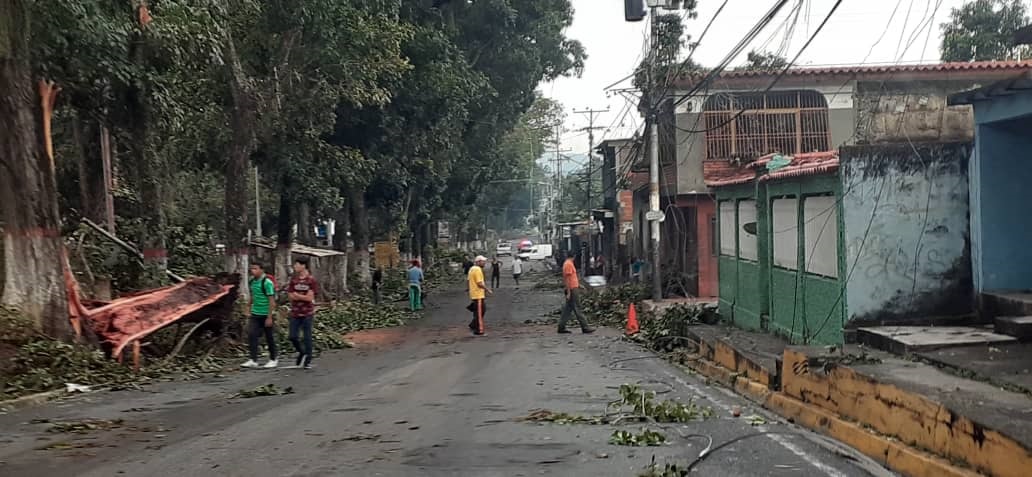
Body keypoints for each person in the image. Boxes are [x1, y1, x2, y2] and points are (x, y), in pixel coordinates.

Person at [242, 262, 278, 369]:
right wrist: (248, 306)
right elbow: (253, 295)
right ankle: (253, 359)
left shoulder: (267, 283)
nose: (253, 271)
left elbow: (272, 301)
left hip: (266, 313)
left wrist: (269, 317)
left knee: (269, 337)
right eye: (252, 268)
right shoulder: (252, 282)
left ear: (262, 270)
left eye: (255, 268)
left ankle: (273, 358)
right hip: (255, 313)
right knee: (252, 334)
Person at [287, 257, 318, 369]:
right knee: (292, 336)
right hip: (295, 312)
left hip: (307, 312)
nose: (295, 267)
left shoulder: (311, 280)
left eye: (297, 264)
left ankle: (308, 360)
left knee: (307, 336)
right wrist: (300, 296)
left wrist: (298, 296)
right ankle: (302, 351)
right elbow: (290, 296)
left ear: (303, 265)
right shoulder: (294, 280)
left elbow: (310, 298)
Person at [558, 250, 595, 334]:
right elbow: (567, 279)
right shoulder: (568, 264)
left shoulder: (569, 263)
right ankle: (585, 327)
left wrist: (578, 285)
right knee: (577, 308)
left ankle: (561, 326)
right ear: (574, 256)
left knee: (568, 309)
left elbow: (572, 278)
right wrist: (569, 292)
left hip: (573, 288)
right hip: (572, 289)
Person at [467, 255, 492, 336]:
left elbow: (468, 281)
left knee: (479, 311)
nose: (484, 263)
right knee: (480, 312)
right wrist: (487, 289)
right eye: (483, 261)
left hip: (474, 293)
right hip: (478, 294)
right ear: (478, 262)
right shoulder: (477, 270)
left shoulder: (472, 269)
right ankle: (479, 330)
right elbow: (479, 283)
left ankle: (473, 324)